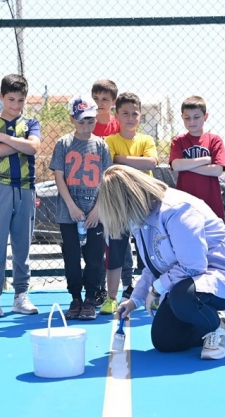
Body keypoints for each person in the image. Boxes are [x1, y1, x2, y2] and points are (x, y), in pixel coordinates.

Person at [102, 165, 225, 360]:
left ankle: (218, 328)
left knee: (182, 296)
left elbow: (193, 265)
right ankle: (216, 318)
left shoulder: (177, 209)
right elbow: (154, 266)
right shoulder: (141, 216)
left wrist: (156, 289)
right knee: (165, 340)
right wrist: (135, 300)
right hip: (194, 281)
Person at [0, 74, 41, 317]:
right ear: (1, 97)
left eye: (20, 100)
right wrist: (20, 143)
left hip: (26, 188)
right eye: (11, 99)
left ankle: (20, 295)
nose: (16, 105)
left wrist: (5, 138)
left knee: (22, 245)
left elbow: (33, 147)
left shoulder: (31, 123)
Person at [50, 95, 112, 320]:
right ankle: (75, 297)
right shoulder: (63, 144)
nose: (86, 126)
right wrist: (71, 207)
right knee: (72, 257)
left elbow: (107, 180)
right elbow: (59, 177)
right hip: (69, 213)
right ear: (72, 120)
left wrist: (97, 210)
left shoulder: (101, 145)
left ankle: (90, 299)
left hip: (95, 212)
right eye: (81, 121)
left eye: (90, 121)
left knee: (95, 258)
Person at [101, 92, 158, 315]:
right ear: (116, 115)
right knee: (115, 252)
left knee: (149, 252)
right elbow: (109, 165)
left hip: (144, 203)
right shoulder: (109, 141)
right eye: (125, 113)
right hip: (118, 203)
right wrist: (132, 163)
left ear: (140, 117)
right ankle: (111, 298)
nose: (130, 117)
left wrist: (120, 160)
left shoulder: (146, 140)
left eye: (135, 113)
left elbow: (151, 162)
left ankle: (152, 294)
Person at [90, 79, 133, 306]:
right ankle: (97, 288)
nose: (99, 103)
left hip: (117, 192)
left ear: (113, 102)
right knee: (97, 243)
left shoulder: (119, 125)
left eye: (105, 99)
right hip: (94, 192)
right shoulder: (87, 124)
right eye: (96, 99)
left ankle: (128, 285)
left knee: (120, 241)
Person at [169, 95, 225, 220]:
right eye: (187, 118)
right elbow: (176, 165)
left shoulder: (214, 140)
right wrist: (206, 160)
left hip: (211, 203)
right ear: (182, 117)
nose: (192, 122)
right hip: (186, 203)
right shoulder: (178, 141)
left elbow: (217, 170)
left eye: (196, 117)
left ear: (205, 117)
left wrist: (186, 166)